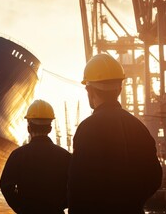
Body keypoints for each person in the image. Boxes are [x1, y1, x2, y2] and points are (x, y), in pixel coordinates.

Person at [68, 54, 163, 214]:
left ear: (89, 90)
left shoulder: (87, 129)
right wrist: (132, 201)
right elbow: (154, 177)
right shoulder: (138, 127)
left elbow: (78, 186)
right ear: (119, 89)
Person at [0, 99, 71, 214]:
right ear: (50, 128)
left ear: (29, 128)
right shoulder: (64, 156)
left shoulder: (17, 155)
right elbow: (75, 186)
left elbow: (6, 186)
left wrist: (20, 208)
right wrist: (61, 205)